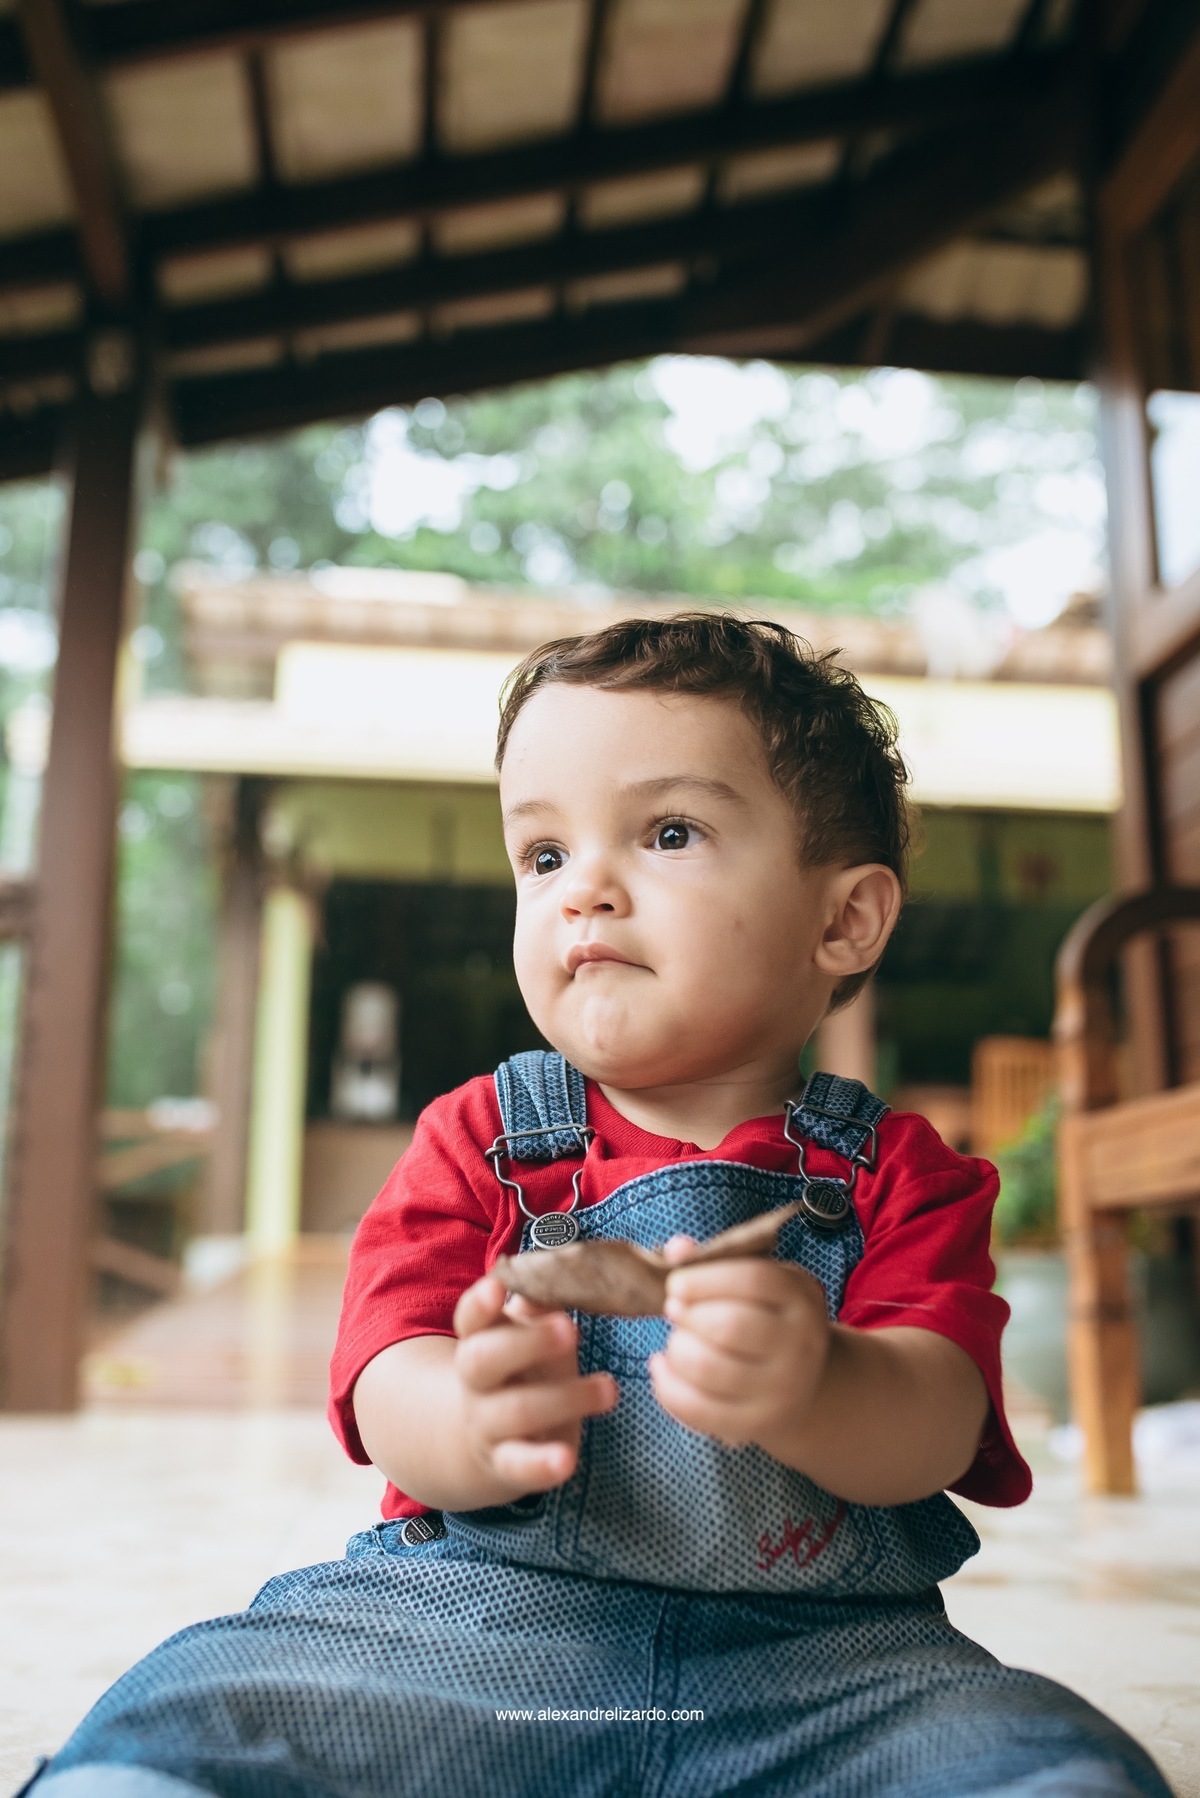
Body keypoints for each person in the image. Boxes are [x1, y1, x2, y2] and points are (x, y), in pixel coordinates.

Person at [27, 616, 1170, 1798]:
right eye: (543, 855)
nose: (586, 892)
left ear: (845, 919)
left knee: (1043, 1760)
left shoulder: (901, 1172)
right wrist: (468, 1415)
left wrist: (823, 1381)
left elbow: (936, 1420)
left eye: (669, 833)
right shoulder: (477, 1139)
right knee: (201, 1712)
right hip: (469, 1628)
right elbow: (384, 1374)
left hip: (833, 1671)